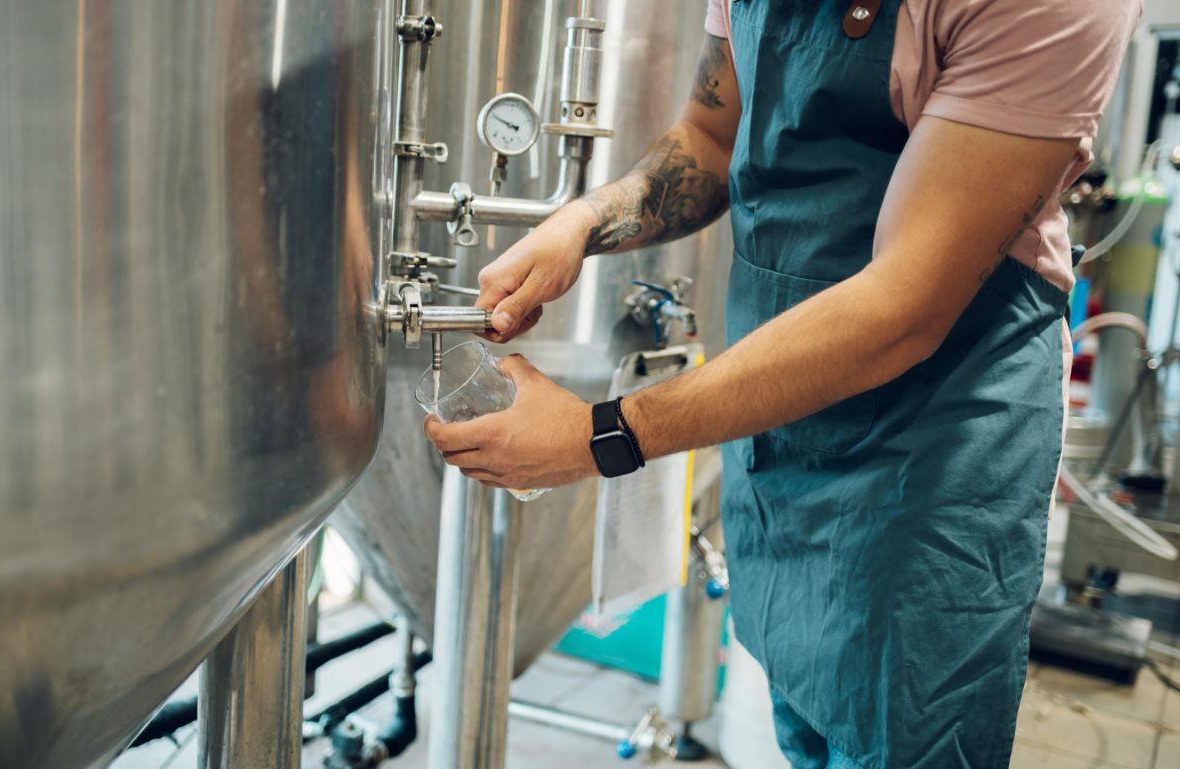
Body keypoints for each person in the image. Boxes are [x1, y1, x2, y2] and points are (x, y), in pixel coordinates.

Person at [424, 1, 1141, 766]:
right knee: (805, 706)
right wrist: (583, 222)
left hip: (937, 442)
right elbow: (708, 135)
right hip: (780, 418)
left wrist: (600, 436)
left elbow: (903, 307)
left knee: (906, 730)